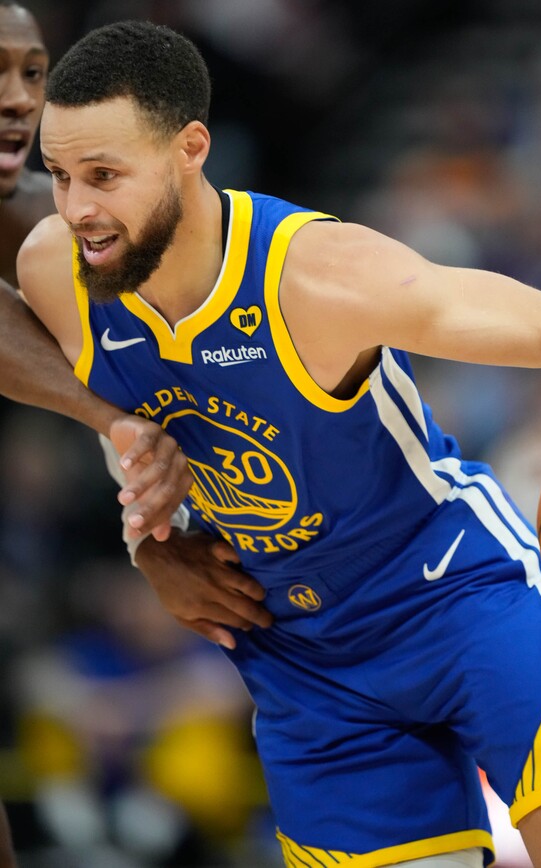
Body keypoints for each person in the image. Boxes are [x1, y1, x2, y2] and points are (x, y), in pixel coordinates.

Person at [17, 18, 541, 868]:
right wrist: (146, 533)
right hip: (301, 657)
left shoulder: (319, 276)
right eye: (59, 175)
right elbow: (88, 382)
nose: (79, 207)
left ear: (191, 148)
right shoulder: (59, 267)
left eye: (105, 176)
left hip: (453, 597)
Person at [0, 6, 204, 862]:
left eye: (33, 74)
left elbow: (91, 360)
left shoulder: (47, 233)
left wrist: (149, 517)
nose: (18, 99)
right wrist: (118, 426)